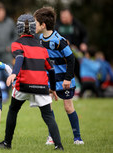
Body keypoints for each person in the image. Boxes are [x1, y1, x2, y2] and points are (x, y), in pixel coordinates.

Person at [0, 14, 64, 150]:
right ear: (33, 28)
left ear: (18, 28)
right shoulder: (41, 47)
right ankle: (59, 146)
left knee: (13, 110)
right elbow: (51, 70)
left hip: (23, 85)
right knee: (48, 115)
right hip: (42, 86)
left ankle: (7, 143)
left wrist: (14, 73)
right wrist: (53, 89)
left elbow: (19, 57)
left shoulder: (16, 43)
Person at [34, 7, 84, 145]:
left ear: (43, 25)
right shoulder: (39, 39)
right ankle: (52, 137)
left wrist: (68, 78)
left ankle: (77, 138)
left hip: (64, 80)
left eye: (35, 23)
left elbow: (71, 59)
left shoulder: (58, 40)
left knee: (68, 107)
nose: (34, 26)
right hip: (49, 80)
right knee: (47, 107)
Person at [55, 8, 88, 83]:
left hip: (76, 53)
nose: (63, 19)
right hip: (62, 54)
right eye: (62, 17)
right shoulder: (57, 25)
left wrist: (84, 43)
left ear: (71, 16)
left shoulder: (77, 24)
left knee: (78, 70)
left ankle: (82, 87)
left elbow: (85, 35)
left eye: (65, 17)